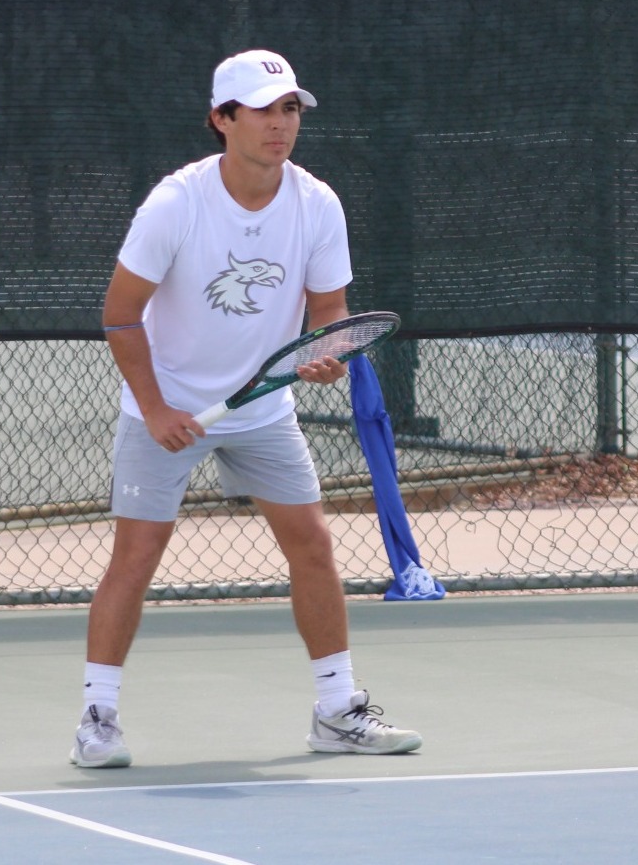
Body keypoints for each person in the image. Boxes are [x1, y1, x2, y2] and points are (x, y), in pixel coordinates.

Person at [71, 49, 423, 768]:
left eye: (291, 108)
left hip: (262, 411)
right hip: (164, 407)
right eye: (264, 109)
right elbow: (119, 314)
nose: (281, 124)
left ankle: (336, 709)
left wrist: (322, 357)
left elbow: (329, 314)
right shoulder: (176, 204)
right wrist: (157, 407)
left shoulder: (317, 203)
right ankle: (97, 719)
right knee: (135, 558)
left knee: (314, 546)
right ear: (221, 120)